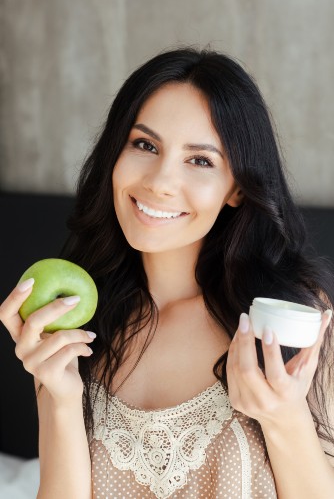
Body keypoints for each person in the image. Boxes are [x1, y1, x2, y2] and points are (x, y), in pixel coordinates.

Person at [0, 46, 333, 499]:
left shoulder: (291, 323)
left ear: (236, 188)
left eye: (200, 160)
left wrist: (285, 418)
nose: (159, 181)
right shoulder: (76, 325)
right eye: (145, 145)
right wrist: (59, 397)